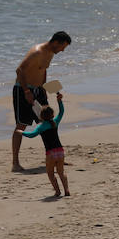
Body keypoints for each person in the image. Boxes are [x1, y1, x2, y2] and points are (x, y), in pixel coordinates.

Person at [12, 31, 72, 172]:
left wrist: (45, 87)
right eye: (63, 47)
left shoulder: (50, 53)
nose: (63, 50)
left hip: (39, 90)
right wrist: (27, 91)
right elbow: (19, 70)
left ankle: (56, 156)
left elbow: (43, 70)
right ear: (56, 42)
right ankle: (15, 163)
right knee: (21, 125)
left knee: (49, 122)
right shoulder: (37, 52)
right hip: (23, 90)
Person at [22, 92, 70, 197]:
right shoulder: (55, 122)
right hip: (60, 151)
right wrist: (59, 101)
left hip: (51, 153)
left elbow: (32, 135)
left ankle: (57, 191)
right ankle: (66, 190)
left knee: (50, 173)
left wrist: (22, 132)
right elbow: (61, 112)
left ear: (41, 116)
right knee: (61, 172)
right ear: (52, 115)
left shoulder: (41, 126)